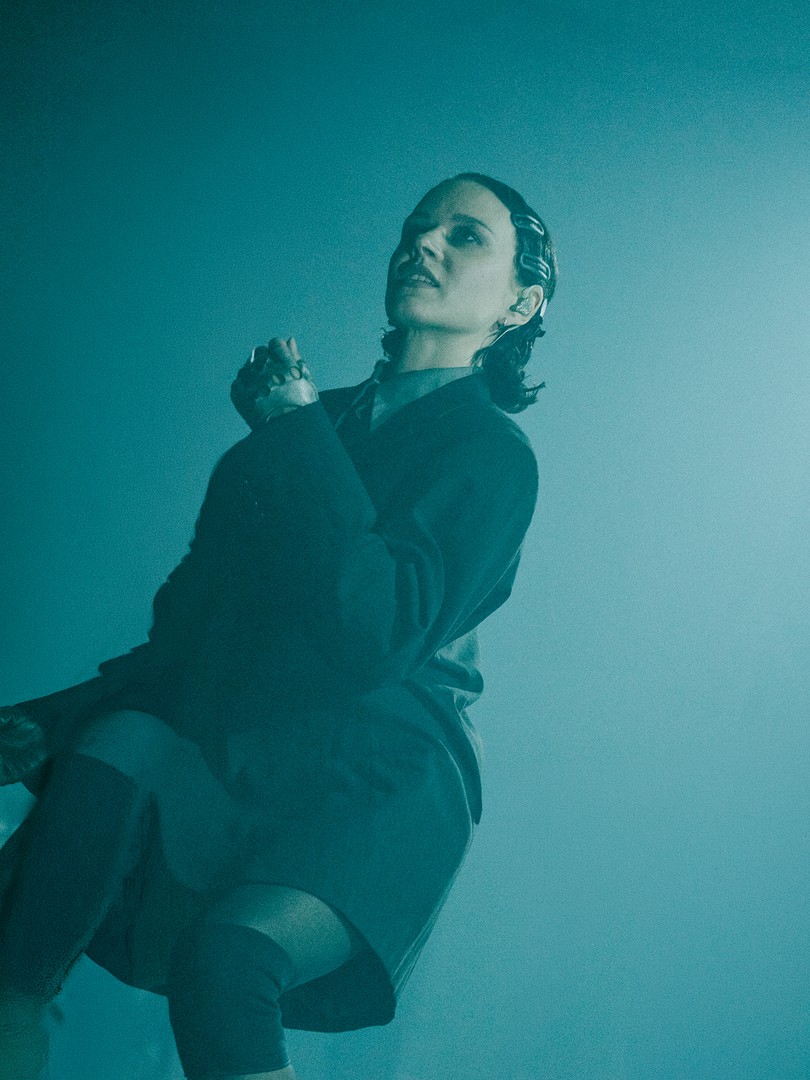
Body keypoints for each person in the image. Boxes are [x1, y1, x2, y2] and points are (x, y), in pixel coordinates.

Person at [0, 171, 558, 1080]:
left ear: (520, 303)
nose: (423, 243)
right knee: (113, 749)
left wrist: (294, 432)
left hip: (379, 776)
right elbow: (188, 643)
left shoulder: (492, 456)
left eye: (465, 236)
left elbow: (378, 635)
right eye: (416, 227)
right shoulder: (289, 428)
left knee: (225, 969)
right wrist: (48, 720)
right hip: (248, 751)